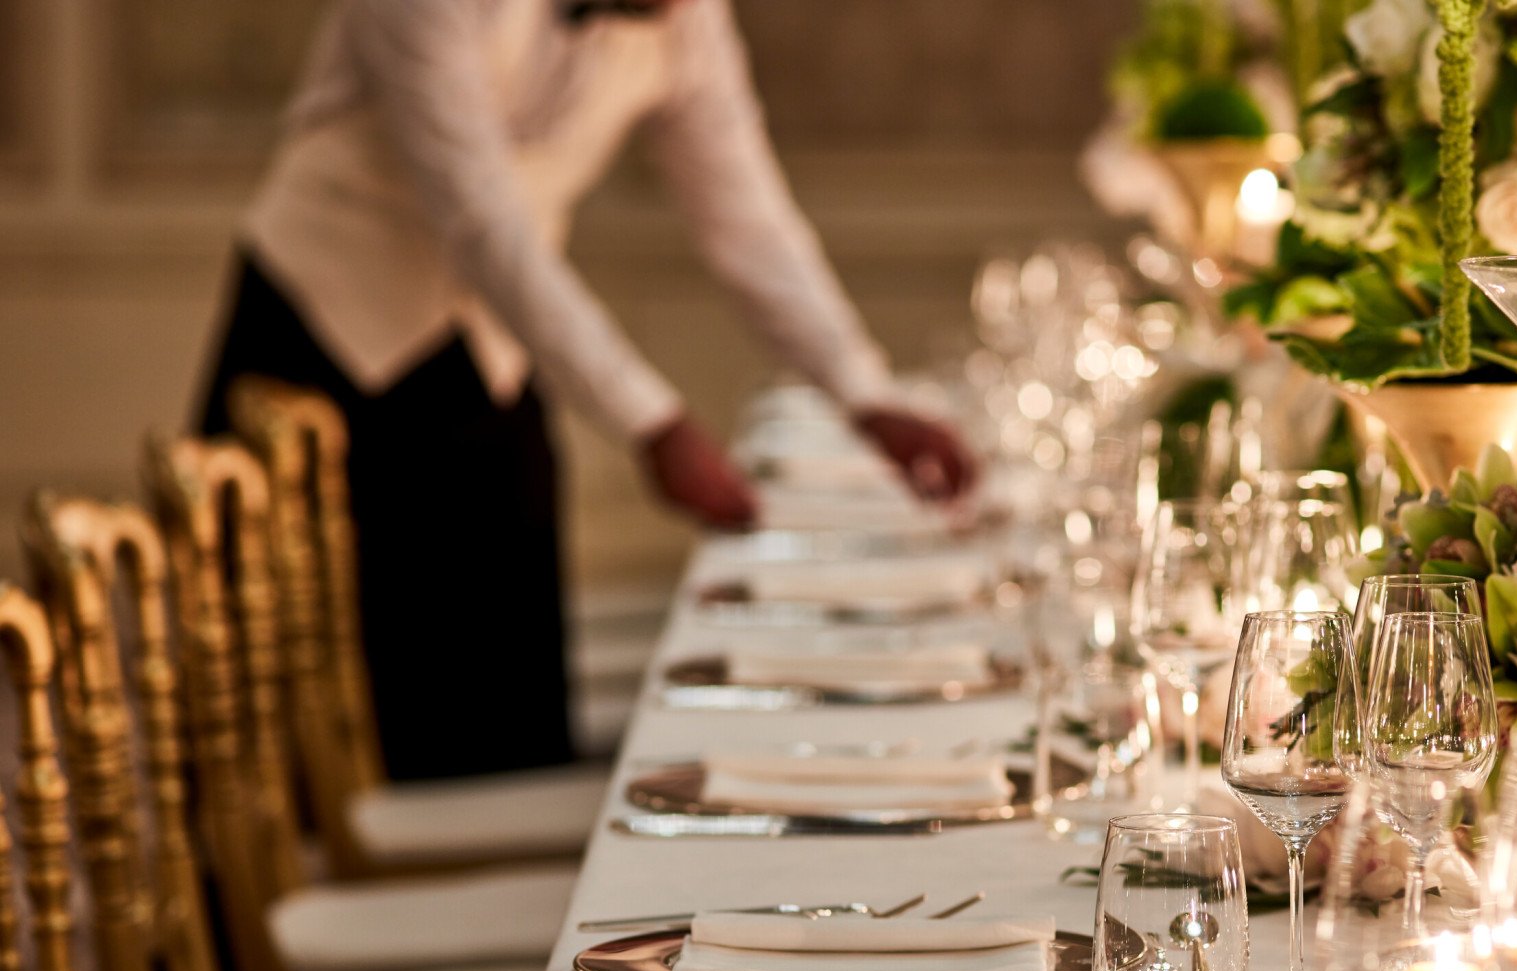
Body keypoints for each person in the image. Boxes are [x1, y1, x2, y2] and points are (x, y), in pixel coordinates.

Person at [198, 0, 974, 781]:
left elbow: (747, 218)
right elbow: (482, 223)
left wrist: (864, 394)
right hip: (317, 335)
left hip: (493, 358)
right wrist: (652, 421)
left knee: (512, 727)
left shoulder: (684, 16)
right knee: (299, 731)